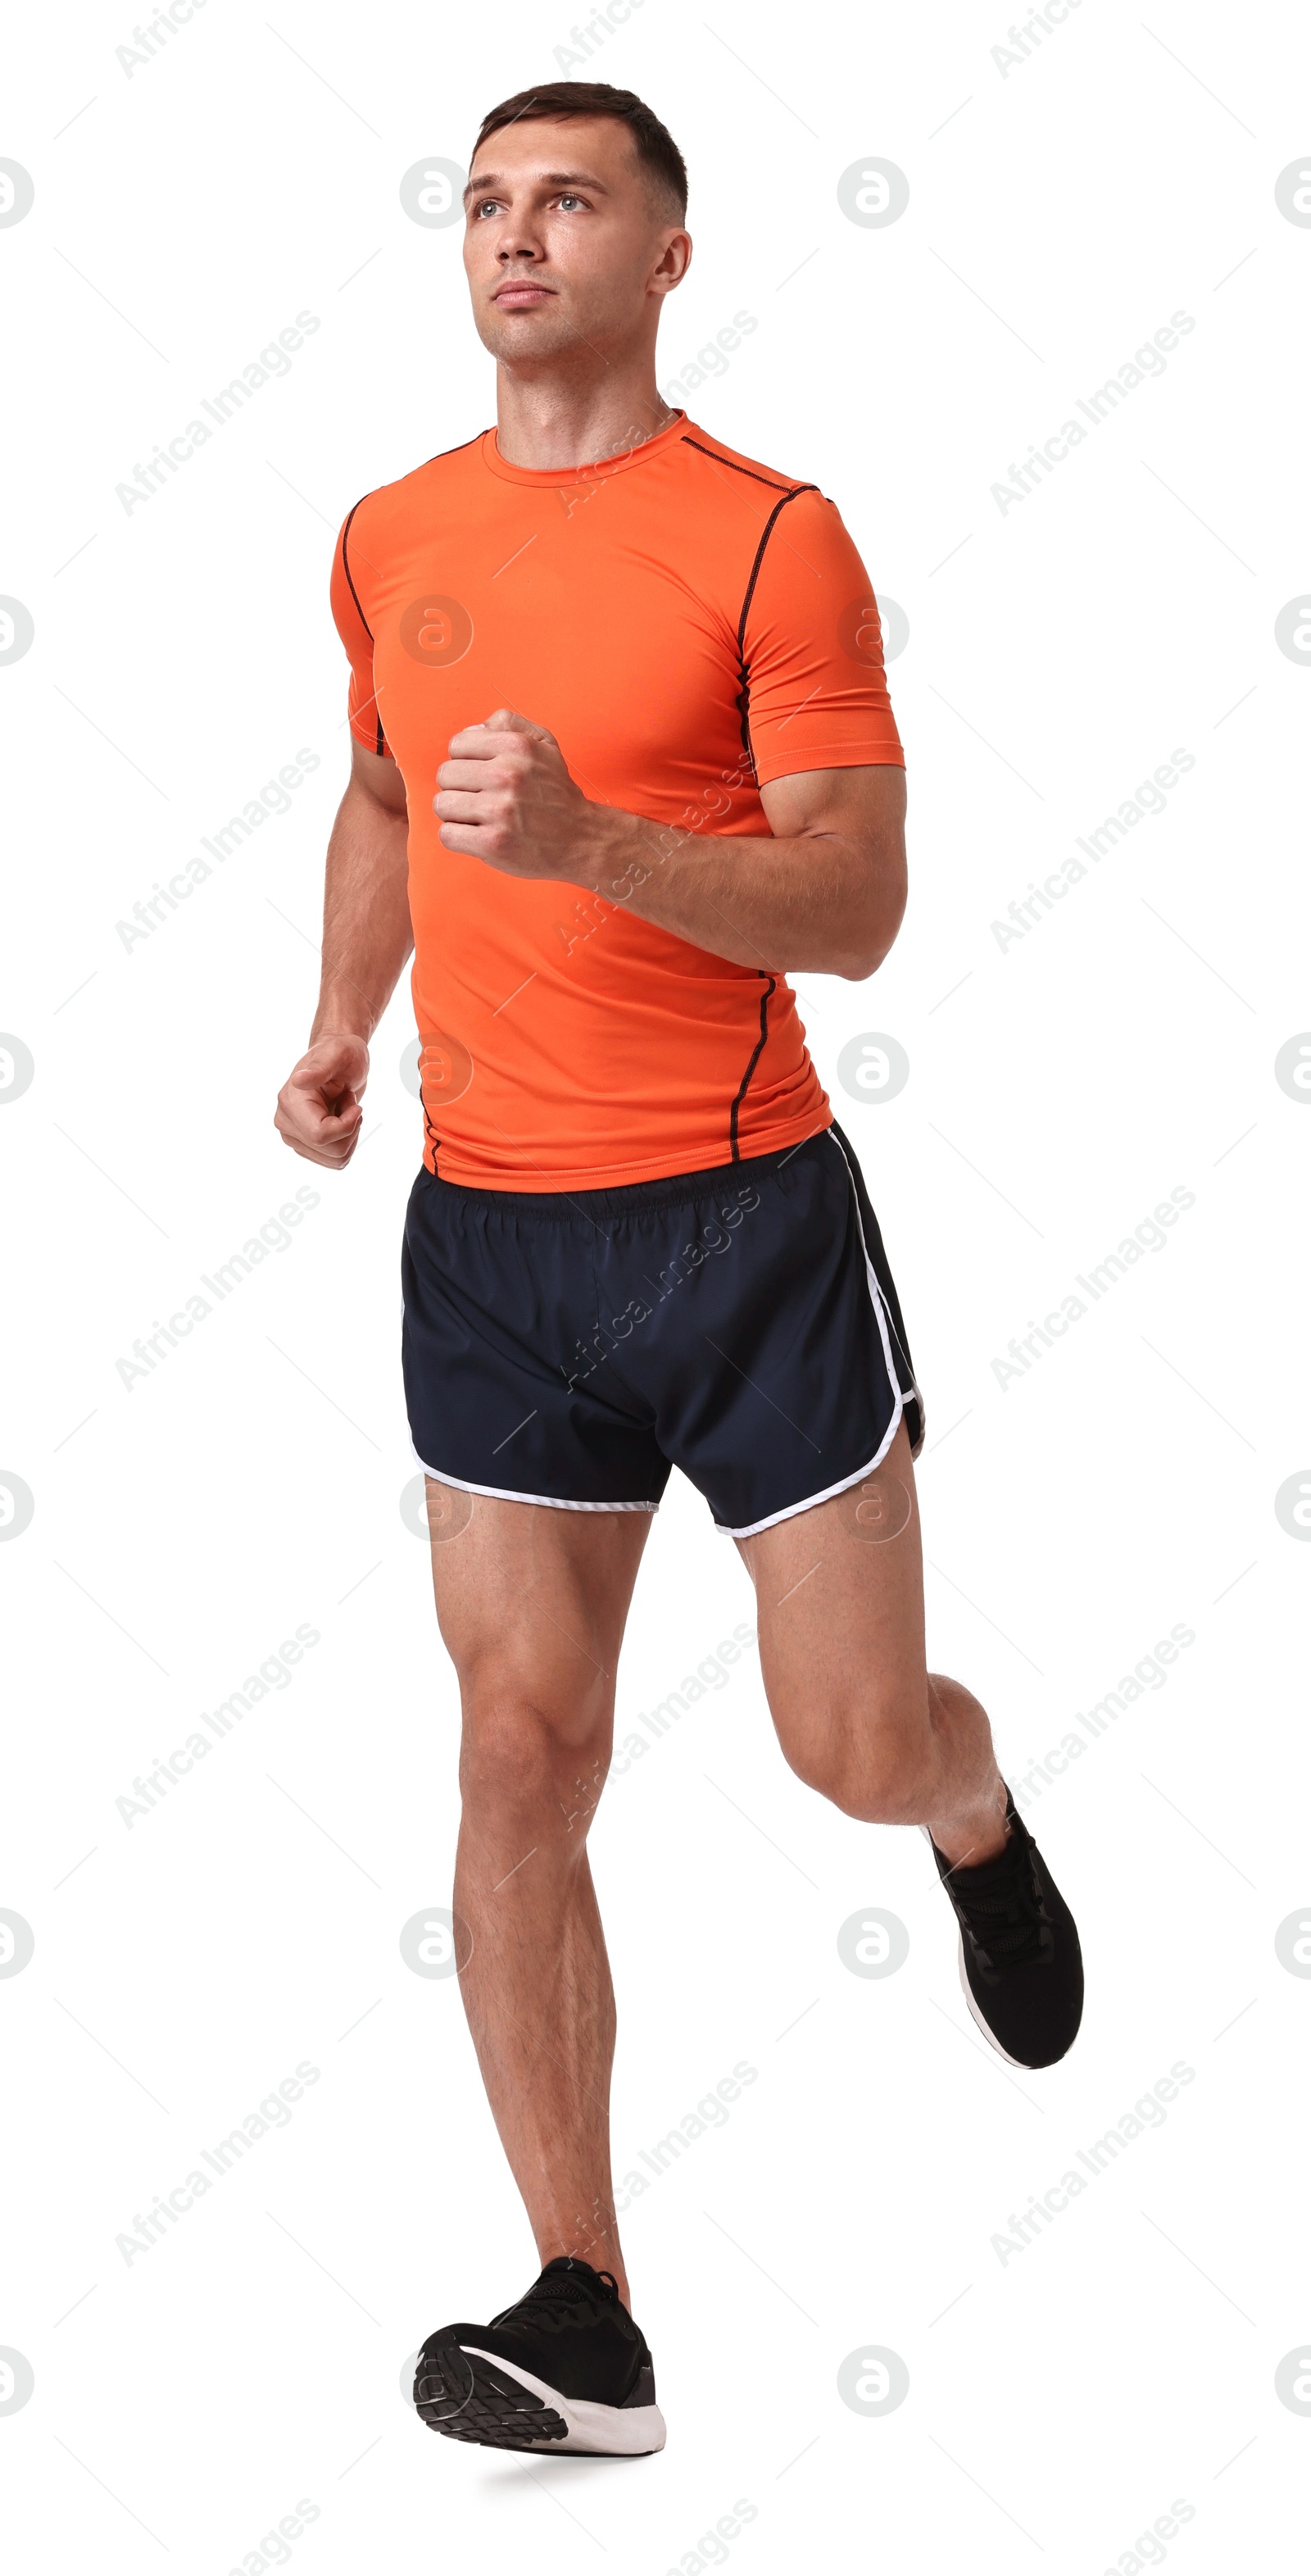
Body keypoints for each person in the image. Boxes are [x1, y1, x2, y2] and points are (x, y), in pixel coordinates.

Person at [274, 79, 1082, 2460]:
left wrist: (611, 841)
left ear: (666, 255)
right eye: (485, 205)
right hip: (487, 1248)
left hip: (742, 1232)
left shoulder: (771, 541)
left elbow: (857, 898)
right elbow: (384, 790)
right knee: (516, 1749)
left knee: (842, 1745)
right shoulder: (389, 531)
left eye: (570, 203)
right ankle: (585, 2309)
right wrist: (338, 1027)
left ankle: (967, 1804)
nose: (516, 240)